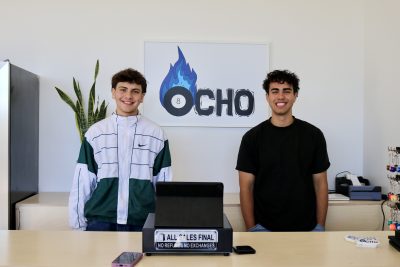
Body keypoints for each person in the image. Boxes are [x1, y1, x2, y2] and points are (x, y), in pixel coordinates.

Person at [69, 68, 172, 231]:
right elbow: (82, 182)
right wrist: (78, 227)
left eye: (135, 91)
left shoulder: (156, 134)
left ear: (142, 96)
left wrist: (166, 224)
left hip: (142, 221)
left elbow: (165, 184)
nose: (128, 96)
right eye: (123, 89)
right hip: (100, 220)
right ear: (113, 92)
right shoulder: (96, 133)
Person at [236, 69, 330, 232]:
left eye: (286, 91)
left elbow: (320, 184)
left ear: (295, 95)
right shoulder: (252, 138)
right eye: (275, 91)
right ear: (267, 96)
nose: (280, 97)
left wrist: (320, 227)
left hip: (306, 230)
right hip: (264, 229)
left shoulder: (313, 135)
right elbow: (246, 187)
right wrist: (252, 229)